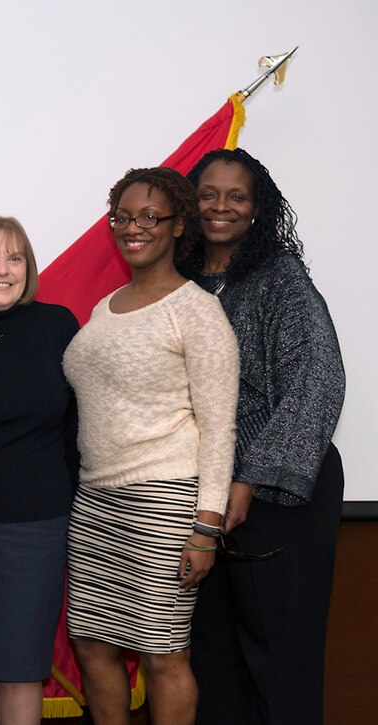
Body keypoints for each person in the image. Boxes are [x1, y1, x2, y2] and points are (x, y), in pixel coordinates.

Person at [62, 167, 239, 724]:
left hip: (164, 501)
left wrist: (206, 529)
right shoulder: (104, 307)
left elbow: (219, 426)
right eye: (123, 217)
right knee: (92, 644)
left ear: (178, 224)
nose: (133, 228)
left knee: (164, 653)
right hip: (95, 502)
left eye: (149, 217)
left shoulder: (197, 311)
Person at [180, 148, 346, 725]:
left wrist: (249, 478)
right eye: (207, 194)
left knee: (280, 662)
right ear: (188, 203)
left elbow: (318, 381)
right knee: (212, 662)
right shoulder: (177, 285)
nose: (220, 206)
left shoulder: (280, 280)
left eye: (237, 195)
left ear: (257, 208)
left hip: (278, 496)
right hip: (201, 502)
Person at [0, 216, 79, 725]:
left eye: (14, 258)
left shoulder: (58, 325)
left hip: (37, 526)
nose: (1, 270)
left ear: (29, 268)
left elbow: (79, 426)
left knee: (21, 669)